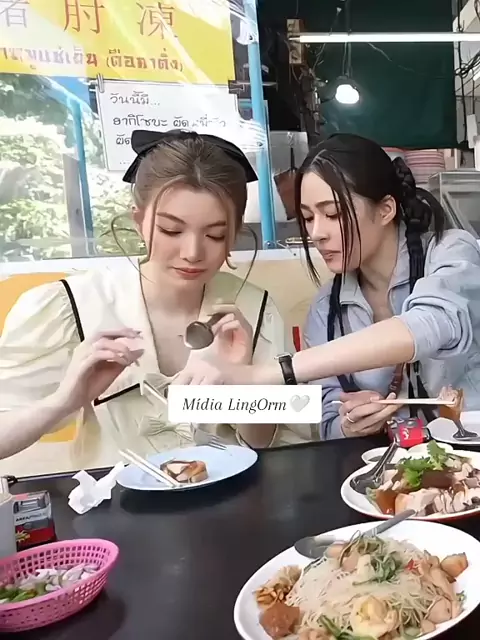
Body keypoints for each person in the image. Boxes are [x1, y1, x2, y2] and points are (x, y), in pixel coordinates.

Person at [0, 130, 316, 477]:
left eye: (215, 235)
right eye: (171, 230)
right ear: (139, 221)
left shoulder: (256, 309)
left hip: (228, 500)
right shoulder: (72, 306)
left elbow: (276, 441)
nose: (192, 252)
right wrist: (64, 401)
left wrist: (244, 385)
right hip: (116, 505)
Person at [174, 133, 480, 440]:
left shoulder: (451, 253)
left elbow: (431, 323)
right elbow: (325, 416)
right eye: (308, 217)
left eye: (333, 214)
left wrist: (266, 374)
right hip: (394, 464)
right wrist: (347, 424)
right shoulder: (326, 310)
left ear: (386, 209)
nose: (317, 233)